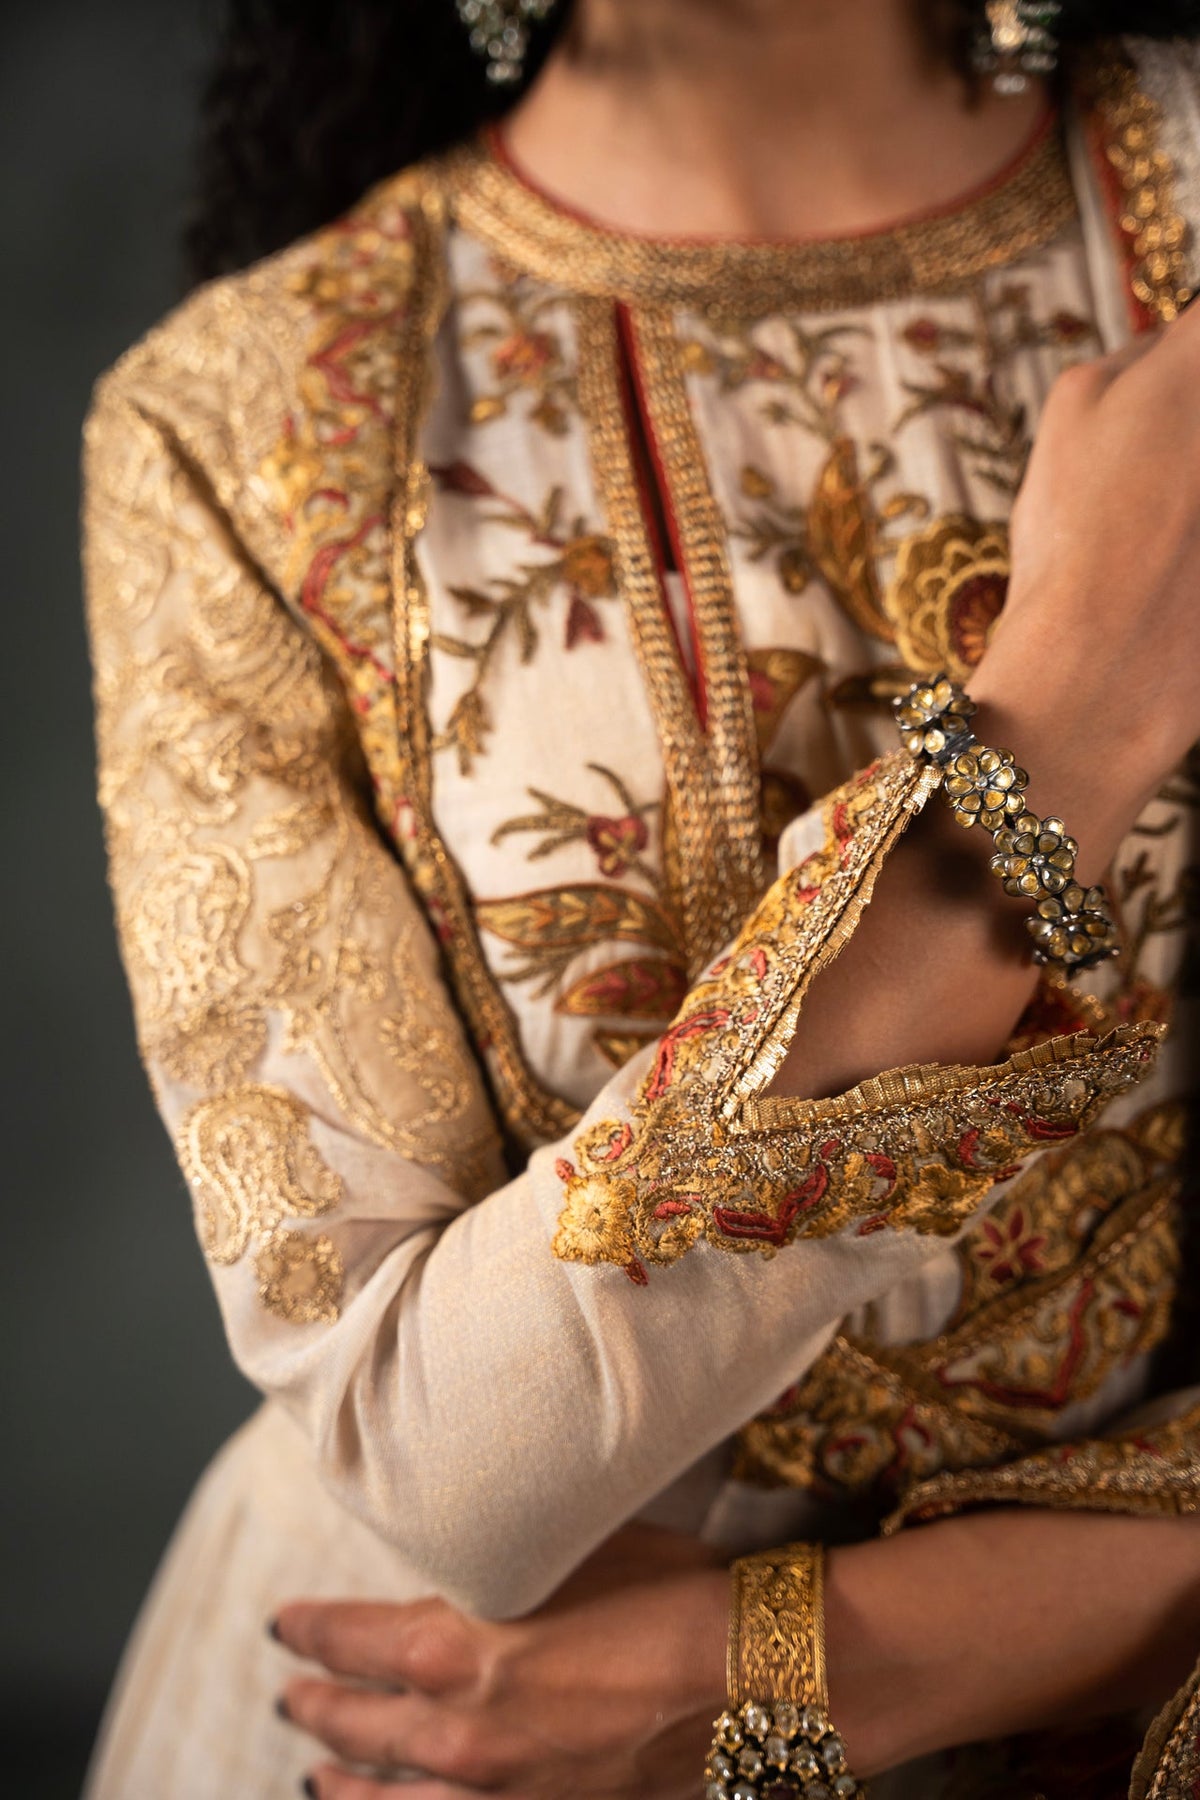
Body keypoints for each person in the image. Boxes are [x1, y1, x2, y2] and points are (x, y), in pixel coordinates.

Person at [80, 1, 1200, 1795]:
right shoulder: (249, 416)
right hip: (455, 1717)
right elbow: (445, 1466)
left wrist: (802, 1661)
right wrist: (1059, 729)